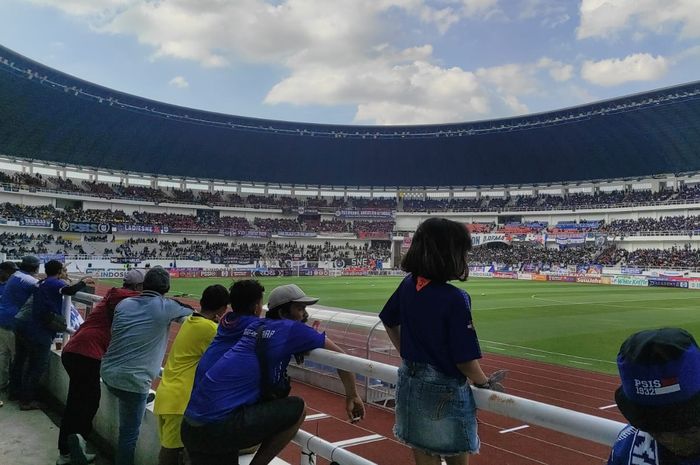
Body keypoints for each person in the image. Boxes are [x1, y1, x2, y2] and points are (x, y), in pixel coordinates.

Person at [182, 282, 365, 465]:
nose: (305, 315)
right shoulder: (290, 329)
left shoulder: (254, 326)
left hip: (192, 424)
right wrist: (352, 395)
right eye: (300, 308)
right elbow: (341, 358)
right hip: (216, 428)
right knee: (298, 408)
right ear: (283, 313)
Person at [379, 218, 506, 465]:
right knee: (458, 454)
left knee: (423, 452)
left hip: (409, 381)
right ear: (450, 254)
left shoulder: (407, 285)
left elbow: (388, 320)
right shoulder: (455, 298)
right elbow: (465, 361)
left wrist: (406, 353)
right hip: (443, 388)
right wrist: (485, 382)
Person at [100, 267, 193, 465]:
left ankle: (141, 403)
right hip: (133, 382)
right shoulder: (167, 306)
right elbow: (193, 315)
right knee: (128, 435)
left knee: (132, 406)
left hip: (108, 373)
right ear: (166, 287)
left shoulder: (124, 304)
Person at [56, 269, 145, 465]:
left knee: (76, 402)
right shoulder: (125, 297)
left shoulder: (116, 296)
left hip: (76, 350)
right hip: (86, 354)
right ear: (138, 287)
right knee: (87, 403)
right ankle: (77, 445)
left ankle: (66, 451)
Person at [153, 284, 229, 465]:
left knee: (174, 449)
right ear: (223, 309)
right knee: (171, 452)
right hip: (180, 401)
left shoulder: (190, 321)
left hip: (168, 394)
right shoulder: (209, 329)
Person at [607, 327, 700, 465]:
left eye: (684, 431)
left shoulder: (629, 447)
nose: (670, 440)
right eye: (655, 431)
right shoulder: (626, 448)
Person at [13, 260, 94, 411]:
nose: (65, 272)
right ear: (58, 271)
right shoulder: (54, 283)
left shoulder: (42, 282)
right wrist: (83, 282)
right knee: (37, 367)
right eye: (63, 270)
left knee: (31, 365)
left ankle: (22, 395)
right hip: (41, 331)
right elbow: (69, 291)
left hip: (33, 327)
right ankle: (26, 401)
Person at [0, 255, 40, 403]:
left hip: (3, 319)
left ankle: (3, 385)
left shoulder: (15, 276)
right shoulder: (28, 279)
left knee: (3, 355)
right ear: (36, 268)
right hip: (13, 322)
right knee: (18, 359)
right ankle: (17, 392)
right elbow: (46, 288)